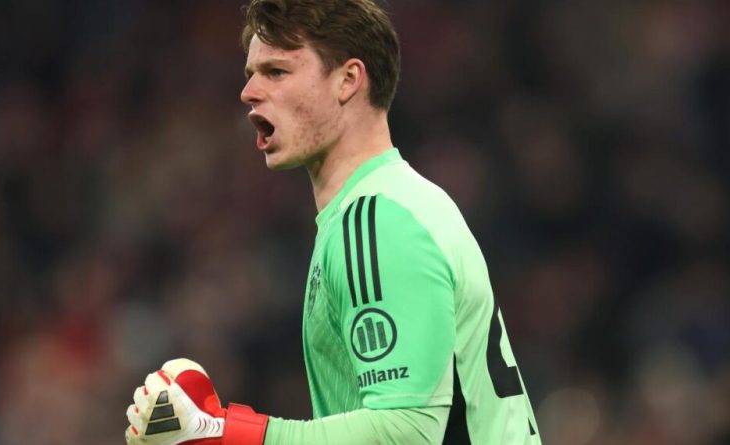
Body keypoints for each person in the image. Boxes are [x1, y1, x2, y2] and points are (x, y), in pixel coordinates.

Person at [125, 0, 541, 444]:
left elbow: (408, 430)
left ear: (348, 79)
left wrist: (224, 433)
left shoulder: (377, 222)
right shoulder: (396, 205)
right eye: (251, 74)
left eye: (276, 72)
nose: (248, 91)